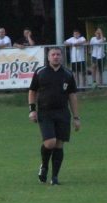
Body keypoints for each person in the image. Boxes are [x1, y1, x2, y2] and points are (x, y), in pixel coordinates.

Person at [28, 46, 81, 186]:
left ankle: (55, 177)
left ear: (62, 57)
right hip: (45, 112)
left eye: (58, 54)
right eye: (53, 54)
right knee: (50, 142)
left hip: (62, 113)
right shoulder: (40, 72)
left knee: (59, 145)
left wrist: (76, 117)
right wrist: (32, 110)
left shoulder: (68, 74)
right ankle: (44, 165)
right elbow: (32, 91)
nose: (56, 57)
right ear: (48, 57)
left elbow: (72, 96)